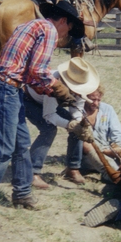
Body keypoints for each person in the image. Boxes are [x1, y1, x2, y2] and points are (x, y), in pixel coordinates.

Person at [0, 0, 85, 226]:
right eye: (69, 28)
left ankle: (22, 192)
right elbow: (38, 71)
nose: (67, 35)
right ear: (63, 21)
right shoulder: (48, 31)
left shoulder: (30, 26)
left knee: (21, 143)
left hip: (7, 87)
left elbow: (29, 74)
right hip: (7, 88)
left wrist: (51, 88)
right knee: (3, 150)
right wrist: (59, 89)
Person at [24, 57, 100, 188]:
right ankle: (31, 173)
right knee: (49, 129)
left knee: (78, 127)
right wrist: (70, 125)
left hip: (49, 104)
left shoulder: (80, 84)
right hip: (30, 101)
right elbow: (49, 115)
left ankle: (73, 168)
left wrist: (78, 123)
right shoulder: (53, 83)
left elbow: (77, 108)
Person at [79, 85, 121, 182]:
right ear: (85, 97)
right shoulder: (77, 111)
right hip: (88, 155)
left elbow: (118, 133)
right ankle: (109, 174)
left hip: (108, 150)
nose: (96, 103)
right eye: (92, 100)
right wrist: (106, 152)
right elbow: (82, 140)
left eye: (99, 100)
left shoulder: (107, 109)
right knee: (85, 143)